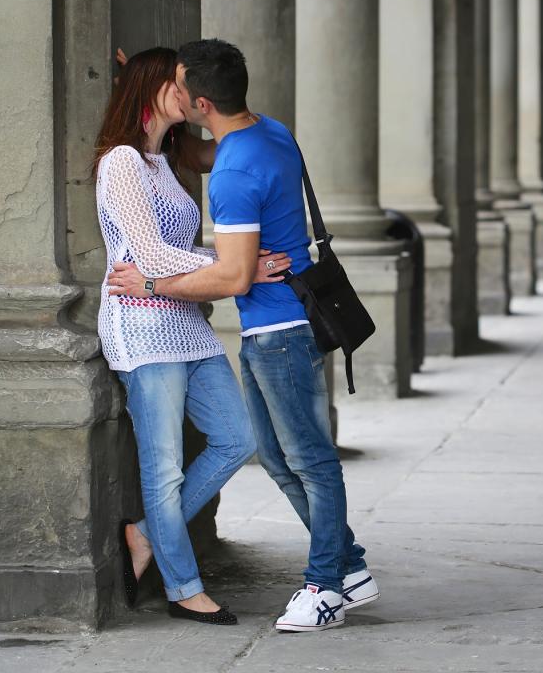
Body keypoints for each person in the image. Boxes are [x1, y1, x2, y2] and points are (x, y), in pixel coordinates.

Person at [107, 39, 378, 633]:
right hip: (278, 326)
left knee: (308, 460)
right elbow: (200, 155)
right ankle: (350, 567)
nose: (177, 93)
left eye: (182, 86)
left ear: (202, 100)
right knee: (279, 459)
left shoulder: (233, 172)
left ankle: (327, 585)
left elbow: (231, 275)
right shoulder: (267, 133)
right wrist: (142, 84)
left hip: (277, 330)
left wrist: (152, 282)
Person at [94, 47, 289, 626]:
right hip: (141, 324)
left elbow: (232, 142)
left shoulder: (163, 161)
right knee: (164, 467)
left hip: (185, 323)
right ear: (153, 85)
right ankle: (182, 587)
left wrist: (228, 260)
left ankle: (146, 534)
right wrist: (236, 266)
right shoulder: (122, 162)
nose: (189, 92)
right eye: (176, 81)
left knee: (236, 436)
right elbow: (148, 255)